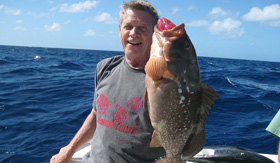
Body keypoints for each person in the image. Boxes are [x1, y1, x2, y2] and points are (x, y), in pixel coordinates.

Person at [50, 0, 165, 162]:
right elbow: (96, 115)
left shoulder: (164, 79)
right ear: (119, 30)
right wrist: (68, 151)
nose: (134, 33)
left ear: (154, 34)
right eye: (128, 26)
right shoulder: (105, 67)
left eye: (142, 28)